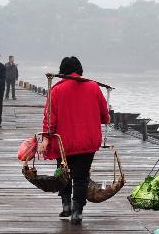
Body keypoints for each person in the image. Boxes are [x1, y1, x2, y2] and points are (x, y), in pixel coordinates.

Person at [40, 56, 110, 225]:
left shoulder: (56, 90)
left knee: (63, 174)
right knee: (81, 177)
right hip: (87, 141)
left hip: (64, 143)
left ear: (62, 71)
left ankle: (66, 206)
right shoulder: (93, 87)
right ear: (80, 70)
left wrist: (46, 139)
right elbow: (105, 116)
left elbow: (50, 119)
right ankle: (77, 211)